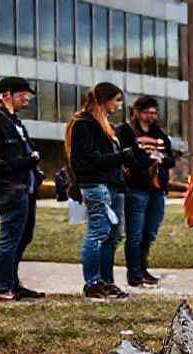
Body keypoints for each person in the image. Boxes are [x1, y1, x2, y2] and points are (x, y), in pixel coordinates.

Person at [0, 77, 45, 301]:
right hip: (10, 188)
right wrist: (15, 166)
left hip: (26, 187)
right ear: (7, 95)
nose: (27, 99)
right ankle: (4, 287)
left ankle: (13, 283)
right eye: (23, 94)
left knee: (24, 237)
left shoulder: (13, 120)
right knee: (10, 237)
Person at [66, 82, 134, 300]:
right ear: (103, 99)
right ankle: (92, 282)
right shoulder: (84, 124)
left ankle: (107, 281)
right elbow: (88, 160)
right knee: (98, 232)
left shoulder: (105, 125)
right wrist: (122, 156)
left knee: (113, 235)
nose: (118, 105)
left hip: (113, 185)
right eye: (116, 100)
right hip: (96, 185)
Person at [116, 96, 175, 288]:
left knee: (150, 232)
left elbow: (171, 159)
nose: (151, 116)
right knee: (135, 233)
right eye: (147, 112)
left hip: (157, 188)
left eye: (154, 112)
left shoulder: (160, 133)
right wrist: (150, 159)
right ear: (137, 112)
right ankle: (134, 273)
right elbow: (128, 158)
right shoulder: (125, 131)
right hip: (136, 187)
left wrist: (159, 160)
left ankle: (143, 268)